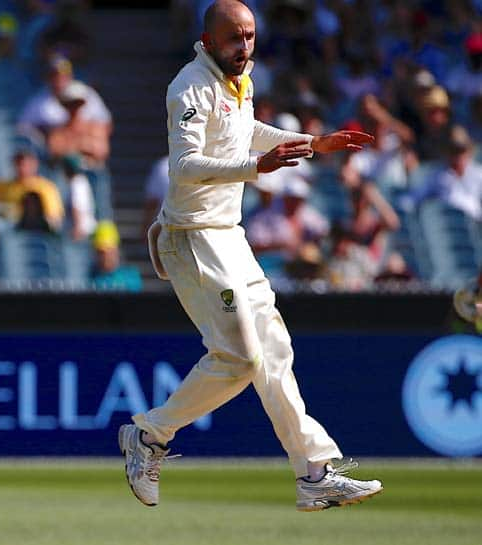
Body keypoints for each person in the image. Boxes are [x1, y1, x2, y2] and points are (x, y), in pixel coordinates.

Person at [124, 0, 383, 512]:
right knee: (240, 358)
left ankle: (314, 473)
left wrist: (314, 143)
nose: (243, 47)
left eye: (249, 36)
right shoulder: (189, 87)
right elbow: (185, 165)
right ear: (207, 37)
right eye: (233, 38)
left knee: (274, 351)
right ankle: (149, 436)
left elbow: (248, 133)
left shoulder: (240, 79)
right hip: (193, 237)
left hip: (230, 235)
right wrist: (255, 167)